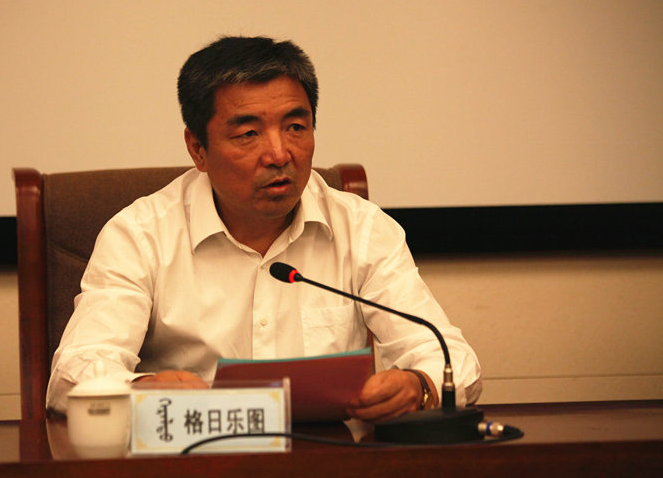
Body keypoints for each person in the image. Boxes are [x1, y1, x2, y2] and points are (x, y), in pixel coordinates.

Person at [46, 36, 481, 422]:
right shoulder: (140, 235)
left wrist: (420, 386)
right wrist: (142, 390)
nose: (279, 154)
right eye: (248, 134)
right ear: (198, 149)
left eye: (296, 127)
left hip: (326, 459)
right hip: (191, 461)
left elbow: (451, 358)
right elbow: (73, 375)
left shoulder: (362, 229)